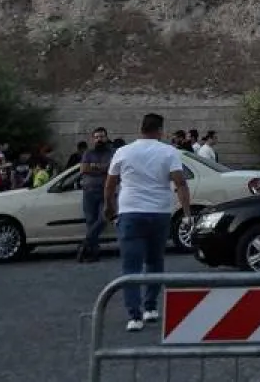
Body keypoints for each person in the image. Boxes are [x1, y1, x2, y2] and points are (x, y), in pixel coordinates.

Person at [104, 113, 192, 332]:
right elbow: (180, 184)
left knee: (130, 266)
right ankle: (150, 307)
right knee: (154, 261)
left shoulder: (123, 152)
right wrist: (187, 213)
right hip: (159, 213)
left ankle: (134, 317)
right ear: (160, 130)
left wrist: (110, 207)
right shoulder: (169, 152)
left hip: (130, 212)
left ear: (140, 128)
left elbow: (110, 184)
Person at [78, 127, 114, 263]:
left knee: (104, 218)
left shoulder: (112, 152)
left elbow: (112, 168)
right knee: (90, 222)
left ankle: (85, 243)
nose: (99, 139)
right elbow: (83, 169)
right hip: (89, 192)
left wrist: (93, 167)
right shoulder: (88, 153)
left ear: (106, 138)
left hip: (106, 191)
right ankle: (93, 253)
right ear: (93, 139)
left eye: (102, 137)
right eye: (97, 137)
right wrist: (101, 167)